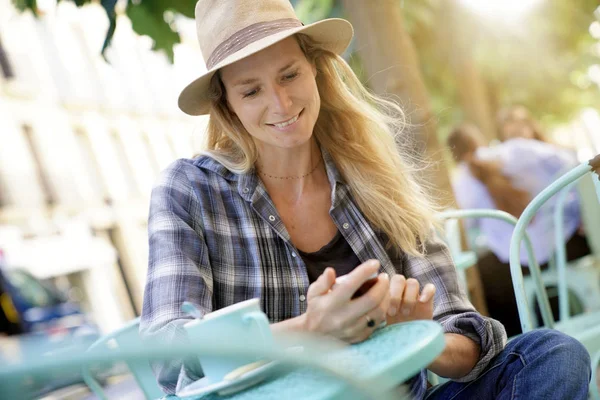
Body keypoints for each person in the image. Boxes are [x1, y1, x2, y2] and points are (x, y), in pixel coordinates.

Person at [140, 1, 591, 398]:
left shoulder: (374, 176)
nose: (279, 103)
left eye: (289, 74)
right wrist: (310, 330)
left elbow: (468, 342)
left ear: (315, 68)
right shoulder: (191, 190)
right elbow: (168, 353)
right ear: (227, 104)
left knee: (553, 355)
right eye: (251, 89)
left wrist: (416, 333)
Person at [447, 123, 590, 336]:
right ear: (479, 138)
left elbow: (471, 225)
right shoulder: (519, 149)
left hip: (517, 265)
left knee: (485, 279)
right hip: (565, 247)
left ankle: (520, 340)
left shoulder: (463, 182)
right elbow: (574, 167)